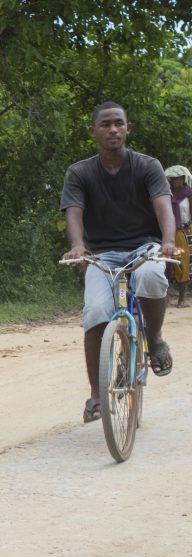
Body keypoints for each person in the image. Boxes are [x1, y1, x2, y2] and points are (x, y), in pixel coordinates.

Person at [60, 102, 181, 423]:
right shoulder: (80, 172)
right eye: (105, 125)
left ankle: (154, 340)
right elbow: (74, 212)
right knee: (96, 313)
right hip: (101, 255)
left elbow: (164, 209)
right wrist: (77, 246)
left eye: (118, 124)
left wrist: (167, 242)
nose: (112, 129)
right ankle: (97, 394)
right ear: (93, 131)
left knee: (153, 277)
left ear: (128, 128)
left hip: (145, 247)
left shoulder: (148, 166)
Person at [164, 164, 192, 307]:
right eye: (172, 178)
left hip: (182, 233)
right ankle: (164, 298)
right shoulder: (164, 194)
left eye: (178, 178)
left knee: (183, 264)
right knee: (165, 263)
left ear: (183, 179)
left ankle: (181, 299)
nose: (175, 181)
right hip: (166, 233)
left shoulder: (188, 194)